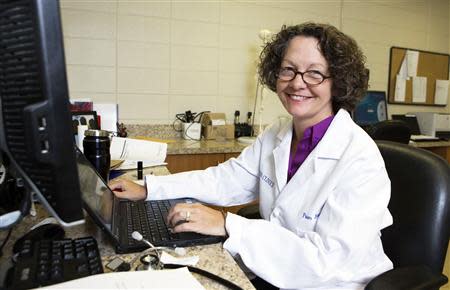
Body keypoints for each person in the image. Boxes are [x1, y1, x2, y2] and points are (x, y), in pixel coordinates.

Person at [109, 22, 393, 290]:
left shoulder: (360, 158)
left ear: (338, 82)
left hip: (334, 282)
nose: (297, 83)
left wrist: (228, 224)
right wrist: (149, 188)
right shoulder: (278, 133)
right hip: (277, 270)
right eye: (288, 70)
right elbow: (226, 180)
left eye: (315, 73)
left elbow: (325, 261)